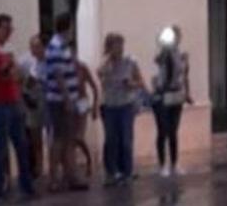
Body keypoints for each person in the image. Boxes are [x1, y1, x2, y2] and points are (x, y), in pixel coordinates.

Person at [0, 13, 35, 200]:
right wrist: (11, 67)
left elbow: (17, 73)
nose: (8, 33)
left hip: (14, 99)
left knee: (21, 143)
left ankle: (26, 185)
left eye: (10, 29)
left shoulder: (9, 48)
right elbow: (3, 72)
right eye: (5, 29)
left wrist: (12, 69)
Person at [44, 14, 88, 192]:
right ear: (68, 27)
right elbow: (58, 75)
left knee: (69, 138)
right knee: (60, 139)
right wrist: (68, 98)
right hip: (60, 100)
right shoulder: (56, 47)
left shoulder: (64, 47)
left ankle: (71, 175)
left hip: (68, 98)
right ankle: (54, 178)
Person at [97, 33, 147, 185]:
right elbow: (100, 77)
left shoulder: (130, 62)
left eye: (121, 45)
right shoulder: (105, 65)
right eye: (115, 45)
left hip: (126, 105)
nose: (119, 49)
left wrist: (131, 84)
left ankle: (127, 171)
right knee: (111, 139)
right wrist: (107, 68)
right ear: (109, 47)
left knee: (126, 139)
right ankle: (113, 171)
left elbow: (141, 82)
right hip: (110, 106)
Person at [152, 26, 193, 177]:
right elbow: (157, 62)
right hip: (163, 95)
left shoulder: (181, 55)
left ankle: (174, 163)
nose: (175, 38)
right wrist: (164, 48)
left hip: (176, 95)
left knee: (173, 130)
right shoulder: (163, 52)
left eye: (177, 35)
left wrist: (187, 93)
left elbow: (185, 75)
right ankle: (162, 164)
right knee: (163, 130)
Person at [19, 34, 47, 179]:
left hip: (49, 104)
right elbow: (26, 84)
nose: (33, 49)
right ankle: (39, 170)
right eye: (31, 46)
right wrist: (26, 96)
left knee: (55, 139)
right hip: (35, 104)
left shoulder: (51, 62)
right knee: (35, 140)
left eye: (36, 46)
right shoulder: (31, 63)